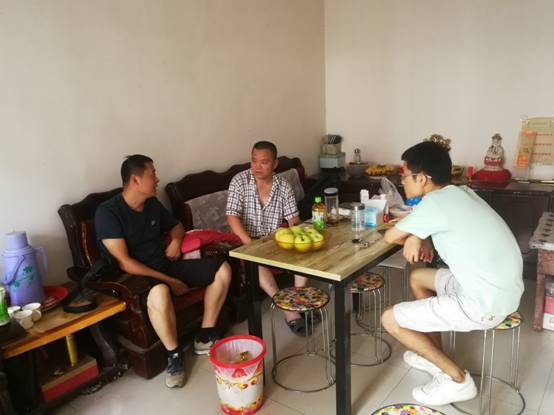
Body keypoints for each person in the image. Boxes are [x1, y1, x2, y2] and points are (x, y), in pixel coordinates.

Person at [380, 140, 524, 406]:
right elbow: (437, 224)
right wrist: (417, 235)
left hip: (484, 303)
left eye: (405, 176)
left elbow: (390, 236)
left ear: (422, 178)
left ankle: (457, 380)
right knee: (417, 278)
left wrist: (413, 235)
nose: (403, 182)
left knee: (390, 319)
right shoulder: (461, 192)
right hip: (497, 288)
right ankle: (434, 356)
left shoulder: (435, 205)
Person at [95, 155, 232, 388]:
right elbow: (124, 263)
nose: (157, 179)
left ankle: (205, 334)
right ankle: (174, 355)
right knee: (160, 292)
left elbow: (177, 226)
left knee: (223, 269)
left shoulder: (151, 203)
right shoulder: (108, 213)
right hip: (139, 279)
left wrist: (176, 241)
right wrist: (169, 280)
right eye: (153, 174)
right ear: (136, 180)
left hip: (165, 265)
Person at [226, 141, 312, 335]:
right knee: (255, 263)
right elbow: (231, 217)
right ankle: (289, 311)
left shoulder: (283, 186)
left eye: (264, 162)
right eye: (254, 161)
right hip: (245, 240)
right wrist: (250, 244)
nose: (257, 167)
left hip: (274, 239)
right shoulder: (239, 181)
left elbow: (293, 220)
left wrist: (300, 237)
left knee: (304, 253)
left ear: (274, 164)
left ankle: (297, 300)